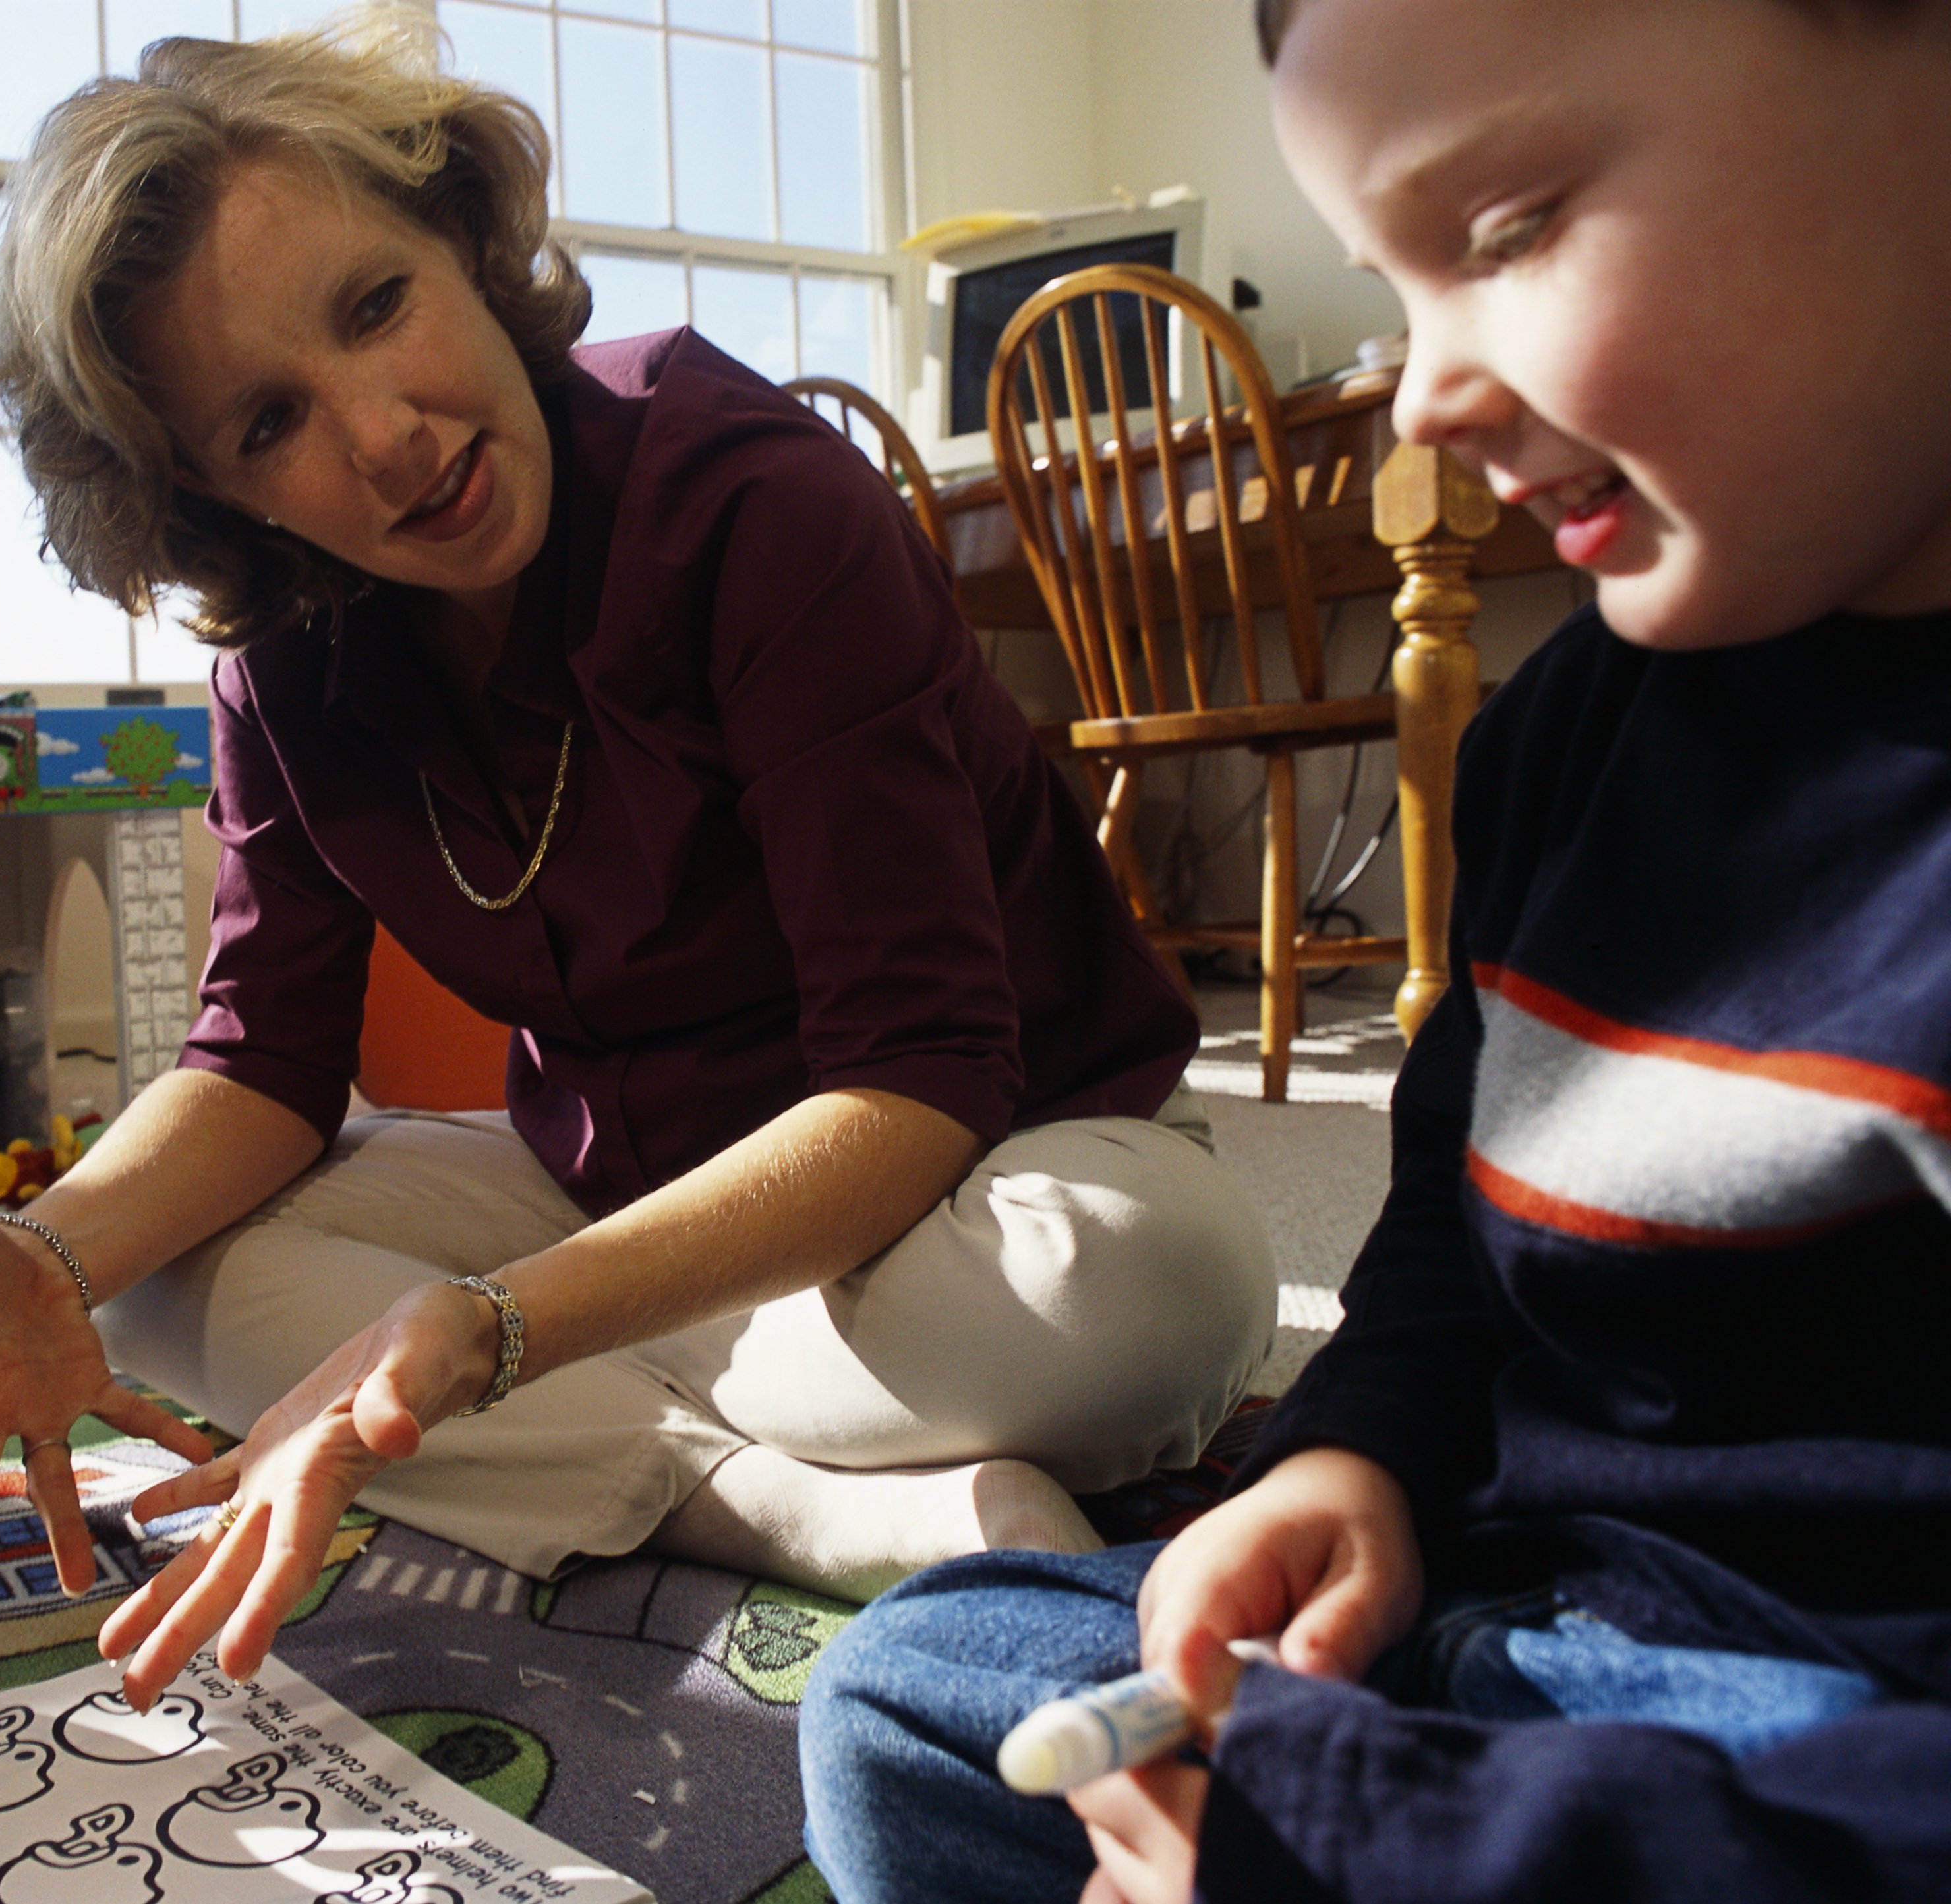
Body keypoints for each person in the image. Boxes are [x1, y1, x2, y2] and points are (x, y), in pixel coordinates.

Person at [0, 11, 1277, 1707]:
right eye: (268, 421)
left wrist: (491, 1328)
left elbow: (918, 1077)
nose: (382, 438)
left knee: (1142, 1293)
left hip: (982, 1161)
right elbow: (257, 1061)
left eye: (379, 306)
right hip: (615, 1185)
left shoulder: (749, 497)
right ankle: (768, 1498)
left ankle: (573, 1407)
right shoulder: (279, 666)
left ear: (463, 242)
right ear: (210, 495)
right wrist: (48, 1253)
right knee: (146, 1298)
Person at [798, 0, 1951, 1897]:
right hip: (1535, 1600)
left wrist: (1399, 1842)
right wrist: (1359, 1470)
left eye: (1501, 232)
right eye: (1392, 289)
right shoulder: (1569, 736)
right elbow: (1445, 1256)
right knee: (916, 1684)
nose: (1418, 398)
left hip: (1835, 1745)